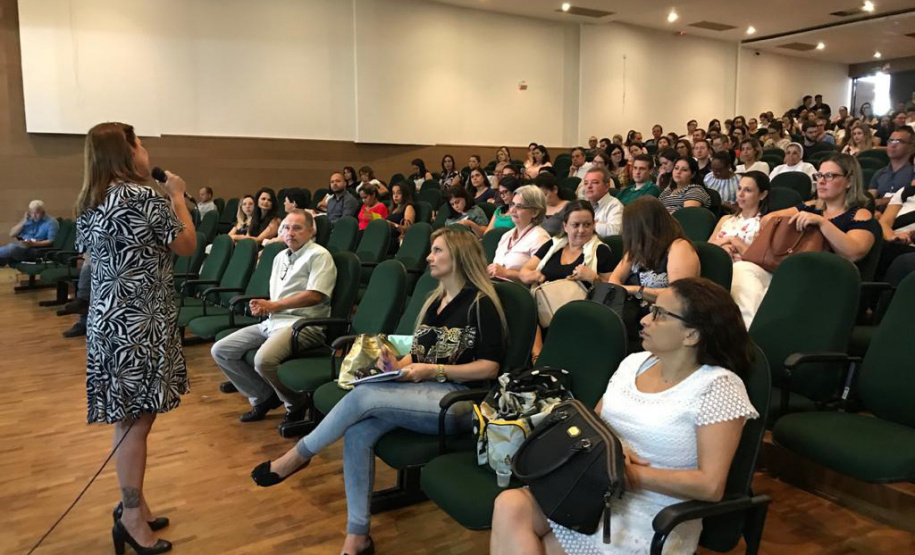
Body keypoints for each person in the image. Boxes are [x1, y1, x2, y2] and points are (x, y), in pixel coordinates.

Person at [251, 227, 506, 555]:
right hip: (422, 390)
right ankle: (357, 535)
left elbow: (489, 368)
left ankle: (298, 456)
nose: (429, 257)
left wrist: (434, 371)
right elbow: (419, 354)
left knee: (362, 397)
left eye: (437, 251)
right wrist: (393, 366)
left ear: (458, 256)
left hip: (458, 401)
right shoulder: (435, 301)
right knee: (358, 432)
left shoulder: (481, 304)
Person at [491, 277, 758, 555]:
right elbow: (594, 424)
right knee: (509, 505)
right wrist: (611, 451)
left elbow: (710, 486)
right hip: (594, 490)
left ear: (692, 335)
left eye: (659, 314)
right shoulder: (633, 363)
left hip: (651, 513)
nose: (644, 319)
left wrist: (626, 473)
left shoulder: (718, 387)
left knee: (534, 545)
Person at [75, 122, 197, 554]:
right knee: (136, 423)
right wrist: (177, 196)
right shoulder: (145, 197)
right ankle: (130, 517)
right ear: (125, 153)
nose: (146, 153)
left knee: (129, 419)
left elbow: (91, 256)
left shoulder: (90, 200)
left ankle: (135, 504)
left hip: (108, 321)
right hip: (139, 325)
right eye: (141, 145)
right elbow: (186, 244)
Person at [211, 209, 336, 423]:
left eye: (297, 228)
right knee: (221, 350)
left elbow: (314, 295)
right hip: (273, 321)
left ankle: (296, 402)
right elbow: (279, 295)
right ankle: (262, 396)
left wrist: (273, 305)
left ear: (310, 231)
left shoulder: (319, 255)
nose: (290, 232)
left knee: (263, 360)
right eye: (286, 228)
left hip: (303, 325)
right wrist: (263, 306)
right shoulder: (279, 256)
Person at [731, 154, 875, 327]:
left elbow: (854, 252)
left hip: (828, 281)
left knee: (776, 289)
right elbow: (768, 219)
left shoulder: (860, 214)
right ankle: (751, 331)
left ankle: (758, 332)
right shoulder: (810, 207)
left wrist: (822, 223)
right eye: (819, 175)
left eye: (829, 176)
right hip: (791, 271)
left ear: (849, 181)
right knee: (742, 269)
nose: (821, 181)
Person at [609, 197, 700, 348]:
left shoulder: (679, 247)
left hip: (662, 317)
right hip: (633, 313)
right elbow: (614, 280)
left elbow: (678, 295)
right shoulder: (638, 247)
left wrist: (635, 290)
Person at [520, 200, 614, 288]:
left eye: (587, 224)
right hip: (544, 297)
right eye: (575, 225)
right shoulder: (553, 244)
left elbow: (612, 289)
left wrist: (594, 278)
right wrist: (533, 276)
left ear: (593, 225)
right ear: (565, 226)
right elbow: (524, 271)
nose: (581, 230)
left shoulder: (601, 251)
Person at [488, 185, 551, 282]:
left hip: (519, 290)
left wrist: (506, 273)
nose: (512, 210)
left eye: (519, 206)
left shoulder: (540, 238)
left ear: (535, 212)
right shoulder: (506, 236)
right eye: (512, 204)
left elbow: (540, 277)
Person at [710, 171, 770, 261]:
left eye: (748, 190)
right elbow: (707, 247)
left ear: (762, 195)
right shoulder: (725, 219)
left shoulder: (764, 223)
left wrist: (734, 240)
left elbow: (759, 259)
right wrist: (723, 247)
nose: (740, 194)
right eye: (739, 188)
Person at [1, 200, 59, 266]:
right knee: (8, 251)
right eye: (32, 213)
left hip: (36, 249)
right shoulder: (28, 219)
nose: (34, 215)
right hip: (21, 245)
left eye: (37, 213)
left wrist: (32, 244)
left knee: (11, 248)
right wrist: (23, 221)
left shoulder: (51, 222)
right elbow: (11, 234)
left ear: (43, 212)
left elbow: (50, 241)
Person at [869, 127, 915, 210]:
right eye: (891, 140)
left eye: (899, 141)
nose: (893, 145)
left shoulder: (913, 173)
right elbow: (870, 200)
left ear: (911, 147)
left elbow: (911, 198)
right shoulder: (879, 173)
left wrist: (884, 201)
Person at [582, 166, 624, 236]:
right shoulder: (581, 204)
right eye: (586, 183)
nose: (589, 186)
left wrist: (588, 224)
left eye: (594, 182)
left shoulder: (615, 205)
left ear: (606, 187)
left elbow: (615, 232)